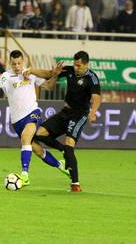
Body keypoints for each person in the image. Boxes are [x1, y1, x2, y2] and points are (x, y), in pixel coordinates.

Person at [0, 50, 70, 186]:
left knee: (26, 137)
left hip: (32, 113)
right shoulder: (6, 76)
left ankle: (24, 175)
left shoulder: (30, 73)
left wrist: (55, 76)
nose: (17, 66)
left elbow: (48, 86)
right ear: (10, 63)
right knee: (37, 150)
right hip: (17, 120)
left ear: (23, 61)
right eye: (14, 64)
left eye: (19, 63)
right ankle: (61, 166)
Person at [26, 51, 102, 192]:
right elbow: (48, 73)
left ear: (86, 64)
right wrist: (30, 70)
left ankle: (75, 184)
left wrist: (93, 113)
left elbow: (97, 97)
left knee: (70, 144)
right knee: (40, 134)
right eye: (74, 64)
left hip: (79, 115)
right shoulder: (68, 70)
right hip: (65, 112)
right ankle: (63, 150)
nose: (76, 67)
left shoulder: (92, 78)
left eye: (79, 65)